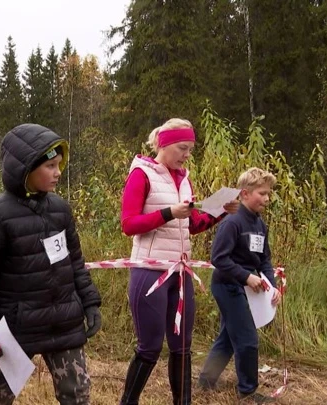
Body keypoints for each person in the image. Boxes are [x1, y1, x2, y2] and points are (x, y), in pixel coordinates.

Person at [0, 123, 102, 405]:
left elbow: (75, 261)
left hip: (65, 323)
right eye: (50, 166)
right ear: (25, 169)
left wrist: (90, 301)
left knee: (78, 397)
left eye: (59, 165)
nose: (58, 173)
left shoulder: (61, 210)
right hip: (18, 327)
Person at [118, 118, 239, 405]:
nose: (187, 155)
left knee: (182, 346)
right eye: (183, 148)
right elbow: (128, 223)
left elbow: (193, 223)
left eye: (190, 150)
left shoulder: (183, 178)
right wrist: (169, 213)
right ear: (165, 144)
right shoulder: (141, 174)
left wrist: (222, 210)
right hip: (150, 271)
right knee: (149, 347)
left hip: (180, 272)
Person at [197, 167, 281, 404]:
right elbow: (219, 258)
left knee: (227, 337)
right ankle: (248, 391)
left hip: (247, 288)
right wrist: (245, 276)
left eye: (268, 194)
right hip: (227, 286)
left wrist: (272, 286)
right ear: (244, 193)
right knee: (247, 338)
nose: (267, 199)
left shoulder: (260, 225)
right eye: (262, 193)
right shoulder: (232, 222)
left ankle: (206, 380)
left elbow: (264, 259)